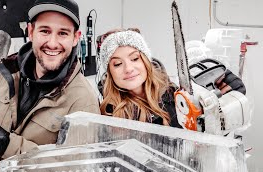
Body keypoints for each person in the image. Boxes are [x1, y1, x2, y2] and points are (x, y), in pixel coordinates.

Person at [0, 0, 100, 162]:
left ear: (75, 38)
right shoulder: (7, 74)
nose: (52, 43)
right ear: (31, 31)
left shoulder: (83, 101)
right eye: (45, 31)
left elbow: (75, 170)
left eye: (63, 33)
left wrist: (9, 146)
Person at [99, 28, 246, 128]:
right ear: (110, 73)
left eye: (135, 59)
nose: (128, 68)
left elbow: (208, 128)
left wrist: (227, 95)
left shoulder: (174, 93)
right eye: (117, 64)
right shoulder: (109, 112)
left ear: (146, 61)